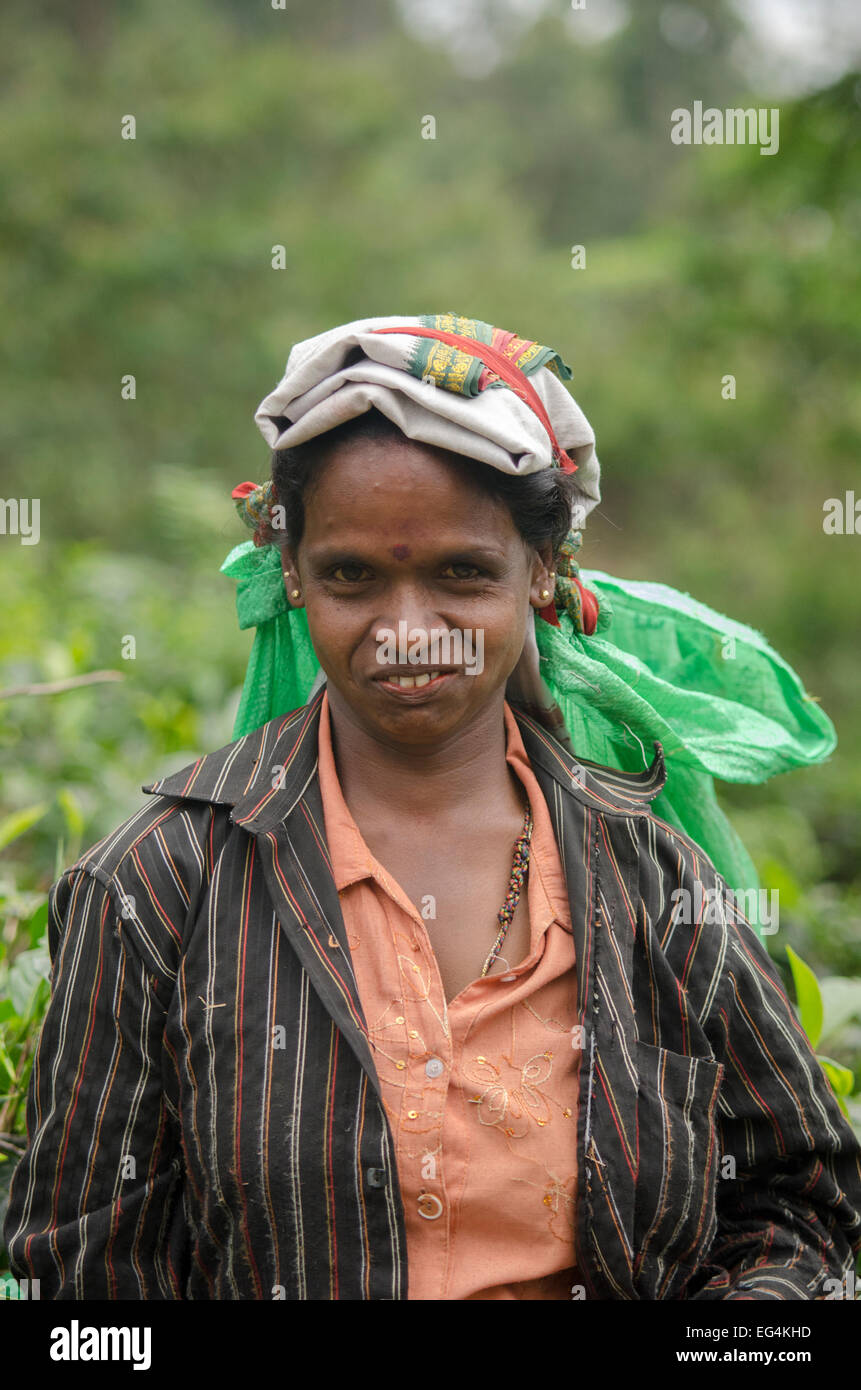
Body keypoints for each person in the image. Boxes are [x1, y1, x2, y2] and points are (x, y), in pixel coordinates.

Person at [5, 313, 860, 1300]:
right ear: (292, 573)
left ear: (540, 573)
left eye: (460, 572)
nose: (408, 631)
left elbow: (798, 1194)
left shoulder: (653, 876)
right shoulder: (157, 884)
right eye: (352, 576)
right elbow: (83, 1266)